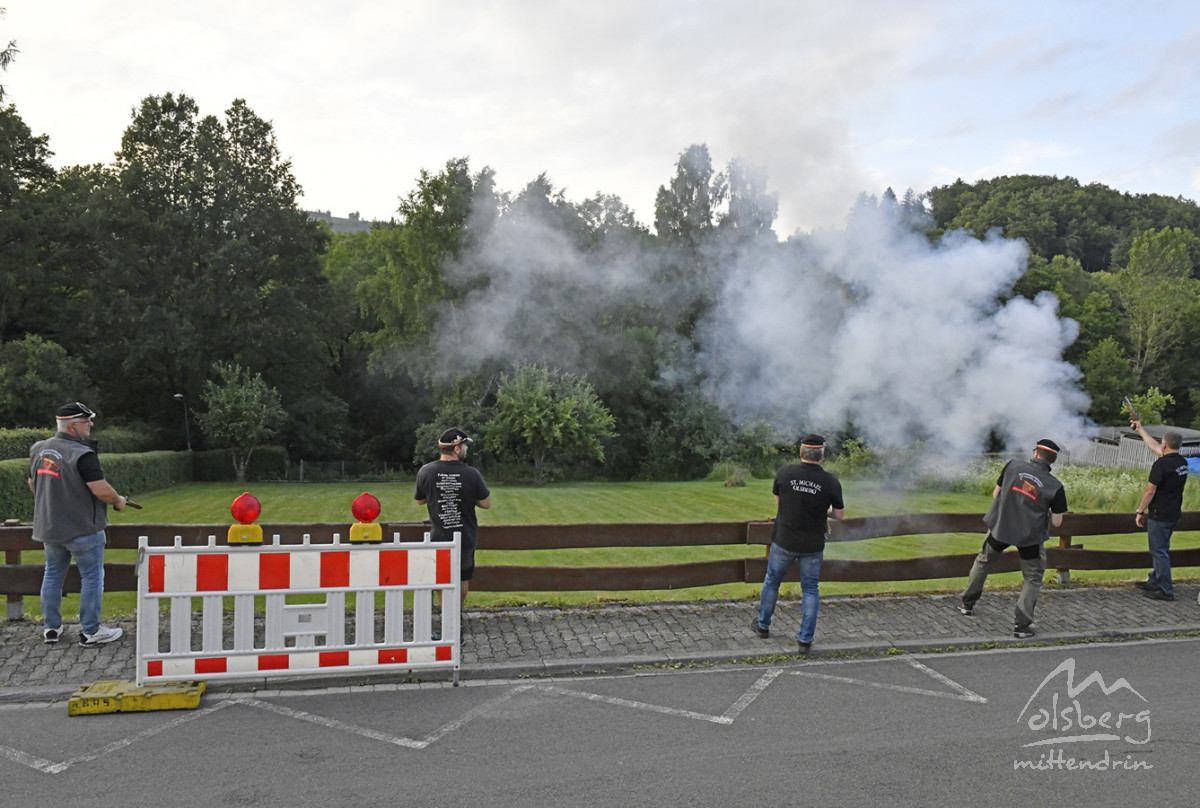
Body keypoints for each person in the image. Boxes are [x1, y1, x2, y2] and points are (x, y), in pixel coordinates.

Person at [28, 402, 130, 647]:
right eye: (87, 421)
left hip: (50, 529)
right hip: (83, 530)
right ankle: (91, 632)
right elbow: (100, 489)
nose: (91, 425)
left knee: (52, 575)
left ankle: (51, 628)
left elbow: (34, 484)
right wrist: (118, 500)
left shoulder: (38, 450)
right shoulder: (83, 454)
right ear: (73, 426)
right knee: (92, 577)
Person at [958, 439, 1068, 638]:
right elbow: (1058, 522)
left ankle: (967, 604)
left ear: (1036, 453)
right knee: (1032, 579)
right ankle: (1021, 626)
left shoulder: (1012, 466)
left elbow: (995, 494)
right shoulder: (1055, 486)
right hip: (1030, 536)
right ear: (1052, 461)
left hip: (1001, 527)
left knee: (983, 563)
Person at [752, 434, 845, 654]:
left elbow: (779, 501)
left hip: (784, 539)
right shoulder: (831, 481)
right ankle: (805, 640)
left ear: (801, 453)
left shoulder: (785, 473)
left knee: (773, 580)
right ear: (822, 456)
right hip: (812, 545)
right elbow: (839, 515)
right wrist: (824, 510)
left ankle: (763, 626)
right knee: (810, 589)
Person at [414, 428, 492, 607]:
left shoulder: (426, 471)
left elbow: (420, 500)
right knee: (463, 580)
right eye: (465, 445)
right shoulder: (472, 474)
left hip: (439, 537)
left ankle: (446, 619)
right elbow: (486, 503)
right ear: (456, 449)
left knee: (442, 580)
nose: (466, 449)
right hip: (465, 537)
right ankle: (455, 618)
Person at [1130, 420, 1188, 602]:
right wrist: (1140, 429)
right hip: (1173, 514)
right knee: (1162, 549)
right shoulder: (1181, 462)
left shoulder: (1161, 465)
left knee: (1159, 551)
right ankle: (1154, 581)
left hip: (1160, 514)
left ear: (1165, 444)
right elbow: (1154, 446)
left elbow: (1150, 490)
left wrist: (1140, 511)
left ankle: (1165, 590)